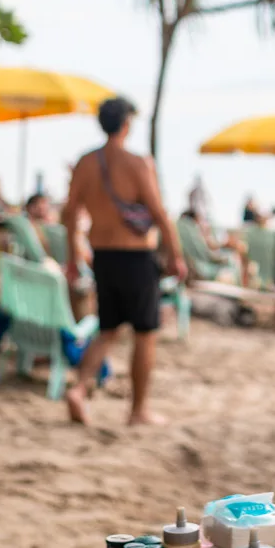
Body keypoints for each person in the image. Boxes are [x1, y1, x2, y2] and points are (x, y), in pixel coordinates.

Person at [62, 96, 186, 426]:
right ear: (127, 124)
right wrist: (176, 256)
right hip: (136, 258)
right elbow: (159, 213)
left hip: (102, 256)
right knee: (145, 333)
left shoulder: (85, 163)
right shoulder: (136, 162)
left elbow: (70, 212)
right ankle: (138, 410)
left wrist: (72, 257)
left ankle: (79, 388)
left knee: (107, 330)